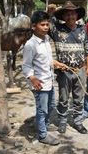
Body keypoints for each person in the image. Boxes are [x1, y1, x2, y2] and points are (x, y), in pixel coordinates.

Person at [22, 11, 66, 145]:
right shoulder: (30, 44)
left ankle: (44, 126)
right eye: (43, 25)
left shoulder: (46, 39)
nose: (46, 27)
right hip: (39, 83)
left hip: (49, 81)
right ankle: (42, 135)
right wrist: (32, 78)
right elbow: (26, 65)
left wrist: (56, 63)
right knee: (42, 109)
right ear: (34, 26)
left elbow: (47, 59)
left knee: (51, 105)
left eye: (47, 24)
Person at [50, 1, 88, 134]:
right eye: (67, 14)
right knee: (63, 98)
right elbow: (44, 22)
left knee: (78, 98)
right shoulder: (56, 29)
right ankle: (62, 121)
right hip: (64, 71)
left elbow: (87, 50)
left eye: (72, 14)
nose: (70, 17)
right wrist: (50, 11)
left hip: (80, 70)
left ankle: (77, 121)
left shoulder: (82, 29)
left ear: (76, 16)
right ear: (63, 17)